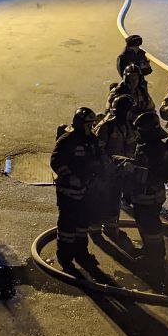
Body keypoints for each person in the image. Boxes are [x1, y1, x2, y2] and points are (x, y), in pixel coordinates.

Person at [50, 107, 107, 276]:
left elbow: (99, 159)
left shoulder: (92, 140)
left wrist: (102, 174)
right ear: (80, 124)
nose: (91, 127)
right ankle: (65, 257)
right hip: (69, 191)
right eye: (89, 124)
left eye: (92, 124)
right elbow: (56, 160)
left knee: (83, 224)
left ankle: (82, 254)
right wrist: (70, 177)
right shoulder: (67, 140)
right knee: (68, 225)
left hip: (86, 189)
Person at [129, 111, 168, 269]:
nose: (138, 133)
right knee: (145, 224)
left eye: (140, 130)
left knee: (150, 226)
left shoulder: (153, 149)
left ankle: (155, 258)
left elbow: (148, 174)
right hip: (149, 195)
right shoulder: (151, 146)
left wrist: (129, 169)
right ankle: (150, 251)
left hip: (148, 195)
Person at [94, 95, 139, 239]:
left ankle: (111, 227)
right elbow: (99, 151)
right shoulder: (106, 127)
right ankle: (95, 228)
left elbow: (133, 147)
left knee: (115, 199)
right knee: (102, 199)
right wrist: (109, 167)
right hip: (106, 172)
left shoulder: (129, 126)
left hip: (121, 171)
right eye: (128, 110)